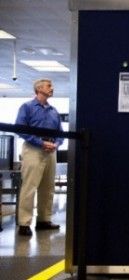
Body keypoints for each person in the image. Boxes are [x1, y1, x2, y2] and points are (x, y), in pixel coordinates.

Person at [15, 78, 63, 236]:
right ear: (39, 89)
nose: (52, 88)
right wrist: (40, 142)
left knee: (48, 187)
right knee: (30, 187)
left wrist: (56, 144)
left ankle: (44, 220)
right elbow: (20, 129)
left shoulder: (53, 111)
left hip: (51, 151)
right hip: (33, 149)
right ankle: (24, 223)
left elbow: (60, 133)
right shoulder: (27, 107)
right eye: (49, 86)